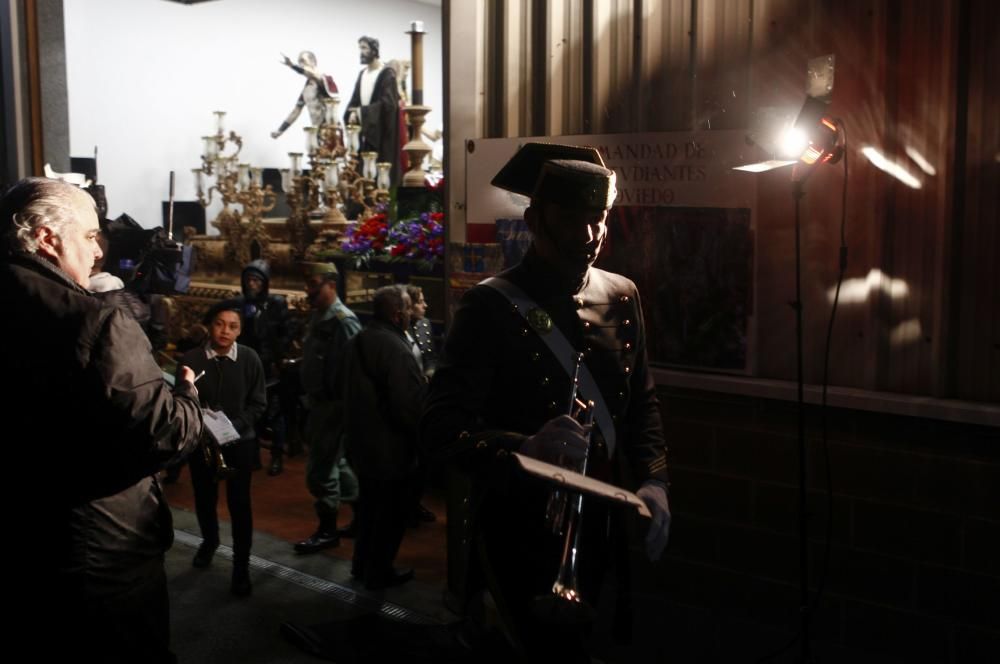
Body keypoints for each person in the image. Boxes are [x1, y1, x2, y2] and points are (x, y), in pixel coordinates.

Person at [421, 143, 672, 661]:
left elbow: (640, 403)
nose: (589, 236)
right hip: (517, 527)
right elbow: (441, 428)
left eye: (598, 219)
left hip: (601, 520)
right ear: (536, 220)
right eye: (571, 218)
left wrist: (654, 478)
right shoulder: (489, 304)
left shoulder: (622, 294)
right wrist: (523, 447)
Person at [0, 178, 204, 663]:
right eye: (90, 237)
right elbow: (166, 432)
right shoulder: (96, 321)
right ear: (48, 238)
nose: (97, 254)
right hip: (101, 554)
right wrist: (189, 397)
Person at [179, 304, 267, 597]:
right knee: (204, 497)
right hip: (202, 442)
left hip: (239, 443)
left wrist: (233, 426)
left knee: (239, 504)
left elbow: (258, 403)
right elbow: (181, 398)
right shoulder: (192, 358)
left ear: (240, 330)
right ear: (209, 326)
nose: (225, 331)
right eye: (219, 324)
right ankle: (209, 541)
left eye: (233, 326)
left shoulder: (250, 359)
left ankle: (241, 567)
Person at [343, 285, 426, 590]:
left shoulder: (358, 341)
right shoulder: (396, 348)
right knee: (390, 514)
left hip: (361, 443)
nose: (409, 313)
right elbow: (407, 404)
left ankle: (360, 565)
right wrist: (419, 437)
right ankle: (379, 572)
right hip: (390, 448)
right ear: (396, 314)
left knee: (367, 509)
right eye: (406, 308)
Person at [294, 262, 362, 553]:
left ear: (332, 286)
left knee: (321, 470)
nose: (308, 292)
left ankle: (327, 530)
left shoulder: (342, 321)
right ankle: (362, 517)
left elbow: (355, 370)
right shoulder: (320, 317)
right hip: (321, 404)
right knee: (339, 465)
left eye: (314, 285)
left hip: (334, 407)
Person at [224, 259, 293, 475]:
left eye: (256, 280)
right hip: (245, 364)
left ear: (264, 283)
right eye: (249, 280)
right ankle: (252, 455)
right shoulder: (238, 304)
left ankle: (277, 455)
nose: (252, 284)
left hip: (269, 364)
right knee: (247, 411)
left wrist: (279, 356)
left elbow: (287, 332)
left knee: (274, 411)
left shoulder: (276, 304)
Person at [344, 36, 401, 185]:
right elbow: (355, 101)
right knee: (361, 172)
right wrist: (352, 112)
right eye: (360, 48)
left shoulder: (387, 74)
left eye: (364, 48)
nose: (361, 52)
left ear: (374, 50)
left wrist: (361, 112)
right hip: (365, 133)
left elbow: (389, 104)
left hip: (381, 135)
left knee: (380, 175)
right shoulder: (362, 74)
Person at [271, 50, 339, 139]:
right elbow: (295, 111)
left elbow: (312, 74)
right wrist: (280, 130)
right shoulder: (306, 90)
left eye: (303, 61)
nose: (302, 65)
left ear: (313, 62)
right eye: (300, 63)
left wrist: (292, 65)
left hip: (330, 128)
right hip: (317, 130)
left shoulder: (324, 79)